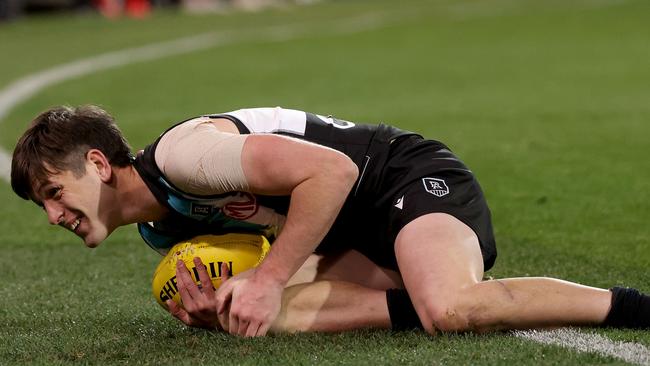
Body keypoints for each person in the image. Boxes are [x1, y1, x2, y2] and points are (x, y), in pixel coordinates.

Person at [10, 105, 650, 337]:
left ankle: (636, 308)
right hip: (348, 231)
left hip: (397, 178)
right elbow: (287, 255)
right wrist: (227, 301)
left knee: (453, 310)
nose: (53, 216)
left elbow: (334, 173)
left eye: (53, 192)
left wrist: (267, 278)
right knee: (254, 315)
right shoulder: (158, 228)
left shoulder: (185, 156)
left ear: (98, 163)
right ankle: (412, 296)